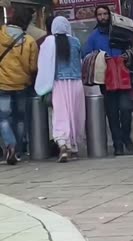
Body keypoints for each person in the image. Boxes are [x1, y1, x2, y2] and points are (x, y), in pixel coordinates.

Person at [83, 5, 133, 156]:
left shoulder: (120, 32)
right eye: (100, 14)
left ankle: (126, 136)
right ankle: (118, 145)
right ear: (96, 17)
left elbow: (131, 49)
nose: (103, 17)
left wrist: (127, 56)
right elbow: (86, 55)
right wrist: (99, 57)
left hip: (124, 77)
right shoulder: (93, 37)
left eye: (105, 14)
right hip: (105, 79)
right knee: (112, 113)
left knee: (125, 109)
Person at [35, 16, 85, 162]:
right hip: (76, 83)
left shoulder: (49, 41)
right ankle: (74, 147)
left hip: (58, 83)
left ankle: (63, 144)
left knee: (60, 114)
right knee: (75, 114)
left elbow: (43, 63)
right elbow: (80, 61)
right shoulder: (75, 41)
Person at [0, 6, 38, 165]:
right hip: (22, 84)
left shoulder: (0, 34)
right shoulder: (29, 41)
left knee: (3, 117)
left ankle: (10, 145)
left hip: (2, 83)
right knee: (20, 118)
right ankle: (19, 152)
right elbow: (33, 67)